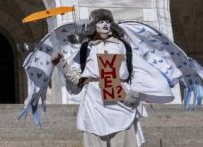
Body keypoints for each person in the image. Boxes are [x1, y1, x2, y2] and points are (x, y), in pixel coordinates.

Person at [51, 9, 143, 147]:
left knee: (124, 139)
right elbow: (77, 79)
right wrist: (62, 63)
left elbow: (137, 71)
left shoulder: (123, 45)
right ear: (94, 25)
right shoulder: (85, 48)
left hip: (121, 100)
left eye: (107, 21)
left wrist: (134, 93)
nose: (105, 24)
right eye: (101, 21)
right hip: (94, 102)